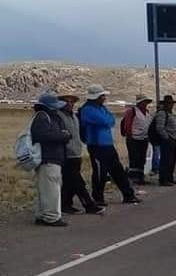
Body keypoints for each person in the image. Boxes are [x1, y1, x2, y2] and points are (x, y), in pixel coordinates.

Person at [79, 85, 140, 205]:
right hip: (96, 145)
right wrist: (106, 119)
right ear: (96, 97)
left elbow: (111, 120)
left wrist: (106, 119)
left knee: (118, 170)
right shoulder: (87, 110)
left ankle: (128, 194)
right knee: (100, 173)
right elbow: (106, 121)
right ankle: (98, 197)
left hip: (107, 144)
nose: (104, 98)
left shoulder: (102, 108)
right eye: (102, 96)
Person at [56, 92, 103, 215]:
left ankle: (65, 204)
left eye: (72, 102)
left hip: (76, 153)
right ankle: (89, 204)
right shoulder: (58, 116)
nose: (70, 104)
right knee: (78, 182)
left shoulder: (74, 117)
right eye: (67, 101)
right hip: (66, 154)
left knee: (69, 182)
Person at [29, 91, 72, 226]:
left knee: (46, 189)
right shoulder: (43, 117)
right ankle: (52, 217)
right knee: (52, 189)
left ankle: (42, 215)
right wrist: (63, 136)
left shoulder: (45, 116)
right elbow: (44, 136)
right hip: (49, 157)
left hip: (50, 157)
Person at [121, 95, 153, 185]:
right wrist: (129, 136)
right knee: (134, 158)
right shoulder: (132, 111)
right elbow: (127, 125)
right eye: (144, 102)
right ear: (139, 103)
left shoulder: (146, 112)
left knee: (142, 159)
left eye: (146, 102)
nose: (145, 104)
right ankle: (133, 177)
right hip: (133, 139)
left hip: (144, 139)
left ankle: (140, 177)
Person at [153, 95, 176, 186]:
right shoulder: (162, 113)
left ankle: (169, 178)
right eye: (169, 103)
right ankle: (164, 179)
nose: (171, 105)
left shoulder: (169, 113)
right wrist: (167, 137)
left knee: (171, 159)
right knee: (166, 160)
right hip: (167, 140)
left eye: (171, 103)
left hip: (172, 139)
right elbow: (159, 128)